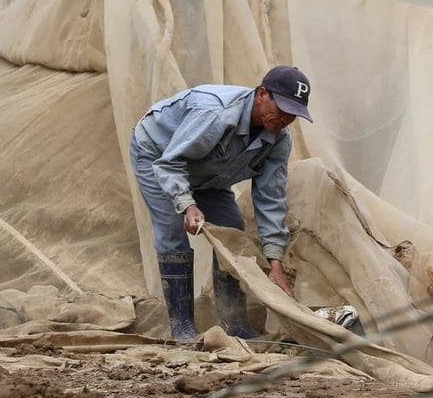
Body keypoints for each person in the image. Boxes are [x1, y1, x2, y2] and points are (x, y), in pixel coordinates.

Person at [129, 65, 313, 342]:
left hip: (209, 172)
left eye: (294, 114)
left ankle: (234, 322)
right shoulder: (215, 114)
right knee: (172, 230)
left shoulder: (278, 140)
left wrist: (275, 262)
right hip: (158, 156)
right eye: (283, 108)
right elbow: (171, 162)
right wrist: (187, 204)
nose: (286, 118)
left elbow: (270, 199)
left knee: (233, 230)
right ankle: (182, 328)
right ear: (262, 94)